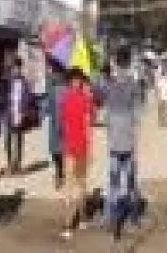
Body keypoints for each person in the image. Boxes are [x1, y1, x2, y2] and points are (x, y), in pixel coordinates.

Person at [106, 46, 142, 239]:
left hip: (113, 143)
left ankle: (112, 220)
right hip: (128, 141)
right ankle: (133, 218)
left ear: (115, 62)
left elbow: (106, 117)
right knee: (130, 182)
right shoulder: (133, 85)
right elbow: (137, 115)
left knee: (112, 183)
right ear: (128, 62)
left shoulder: (110, 85)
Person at [60, 67, 94, 240]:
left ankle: (71, 223)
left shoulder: (65, 99)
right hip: (78, 147)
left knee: (72, 185)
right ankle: (80, 219)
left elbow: (64, 124)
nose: (77, 82)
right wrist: (91, 149)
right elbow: (88, 126)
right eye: (77, 80)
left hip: (71, 146)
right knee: (79, 184)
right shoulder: (86, 99)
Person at [4, 57, 30, 175]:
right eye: (15, 68)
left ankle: (18, 165)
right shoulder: (7, 81)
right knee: (8, 140)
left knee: (19, 140)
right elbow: (1, 97)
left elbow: (28, 98)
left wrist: (24, 112)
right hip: (9, 114)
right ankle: (10, 164)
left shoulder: (25, 82)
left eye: (18, 68)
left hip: (20, 114)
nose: (17, 70)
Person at [45, 60, 67, 189]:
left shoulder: (56, 86)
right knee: (59, 149)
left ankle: (59, 175)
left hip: (57, 122)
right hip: (59, 120)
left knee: (56, 149)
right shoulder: (59, 84)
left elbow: (54, 106)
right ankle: (60, 173)